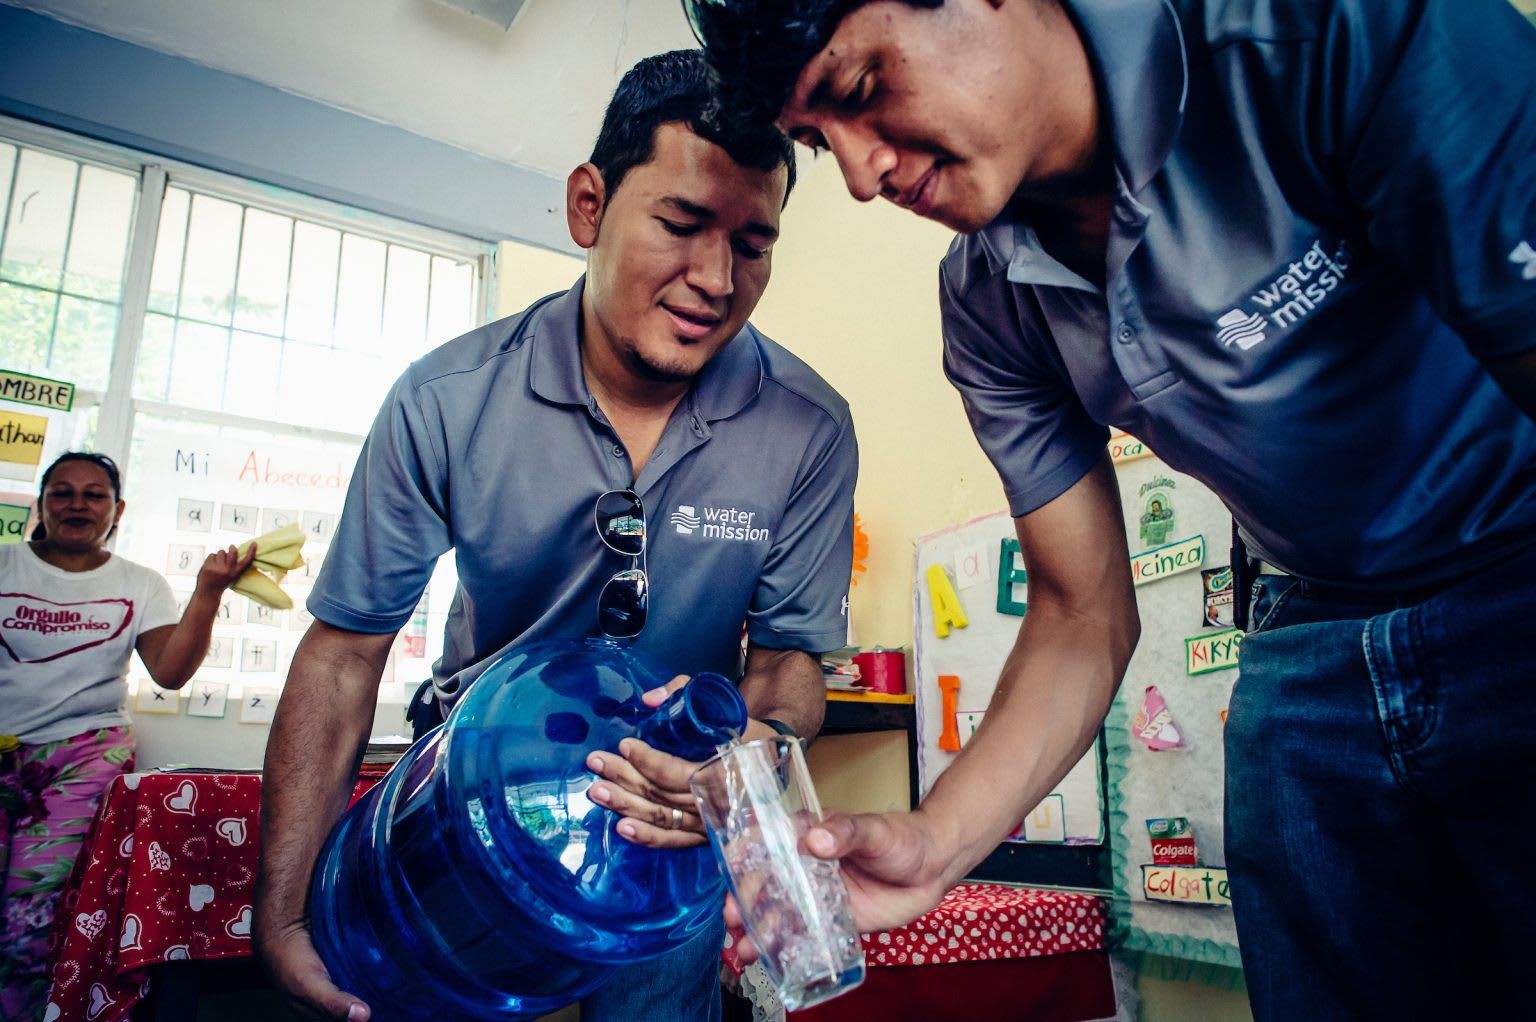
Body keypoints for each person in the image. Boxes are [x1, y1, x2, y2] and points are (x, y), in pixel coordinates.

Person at [688, 0, 1536, 1016]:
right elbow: (1081, 610)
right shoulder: (988, 301)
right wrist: (936, 842)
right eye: (823, 143)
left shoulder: (1321, 35)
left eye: (863, 90)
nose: (864, 176)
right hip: (1309, 622)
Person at [254, 50, 857, 1022]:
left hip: (666, 819)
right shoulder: (446, 399)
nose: (716, 278)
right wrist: (284, 912)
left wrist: (740, 759)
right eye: (681, 223)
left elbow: (789, 666)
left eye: (753, 244)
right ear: (589, 206)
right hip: (468, 807)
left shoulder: (808, 428)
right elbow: (342, 656)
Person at [0, 451, 252, 1021]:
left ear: (117, 510)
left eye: (94, 494)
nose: (77, 504)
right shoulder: (6, 566)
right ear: (41, 503)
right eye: (62, 492)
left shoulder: (139, 583)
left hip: (82, 756)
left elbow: (170, 671)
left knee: (31, 917)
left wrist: (208, 592)